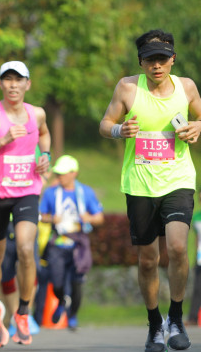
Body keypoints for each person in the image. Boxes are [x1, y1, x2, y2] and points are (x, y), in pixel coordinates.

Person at [100, 29, 201, 352]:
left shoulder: (186, 87)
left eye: (162, 59)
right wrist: (119, 129)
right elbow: (105, 124)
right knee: (147, 260)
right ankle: (155, 325)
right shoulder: (128, 88)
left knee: (176, 247)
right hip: (140, 183)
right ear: (141, 63)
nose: (156, 65)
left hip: (178, 180)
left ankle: (176, 318)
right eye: (149, 60)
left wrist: (198, 125)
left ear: (172, 59)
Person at [0, 61, 51, 347]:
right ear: (1, 84)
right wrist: (2, 140)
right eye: (8, 80)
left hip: (27, 190)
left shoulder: (36, 113)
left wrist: (47, 156)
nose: (13, 85)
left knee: (27, 250)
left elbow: (43, 134)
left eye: (19, 80)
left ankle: (23, 313)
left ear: (28, 84)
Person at [39, 155, 104, 330]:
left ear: (74, 173)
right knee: (57, 282)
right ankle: (61, 302)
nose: (59, 176)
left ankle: (73, 315)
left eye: (63, 173)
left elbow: (99, 217)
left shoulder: (86, 192)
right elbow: (41, 216)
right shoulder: (51, 193)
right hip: (58, 243)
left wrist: (89, 217)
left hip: (79, 242)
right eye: (58, 173)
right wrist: (52, 218)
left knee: (77, 283)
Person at [187, 192, 201, 324]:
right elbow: (197, 239)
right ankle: (192, 318)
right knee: (197, 288)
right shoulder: (196, 217)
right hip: (200, 258)